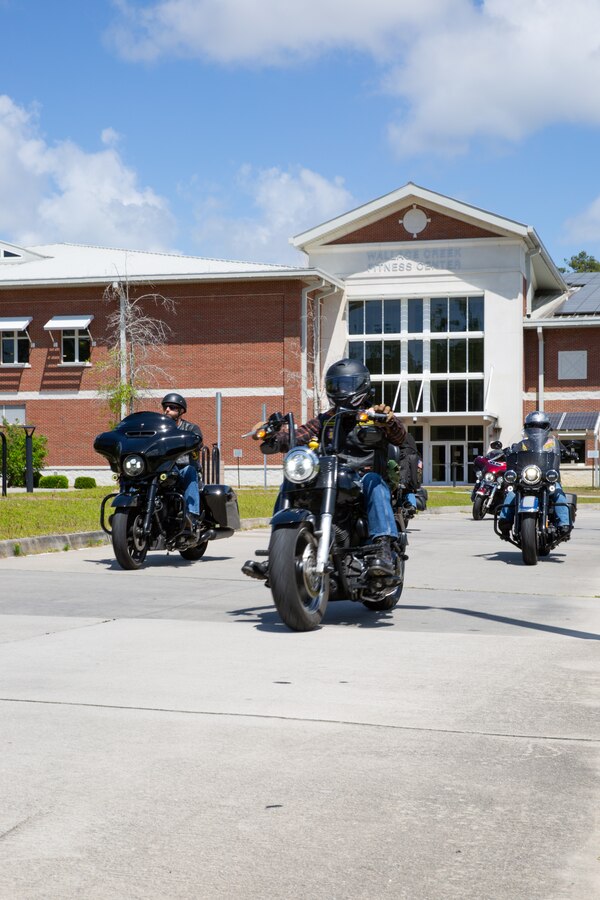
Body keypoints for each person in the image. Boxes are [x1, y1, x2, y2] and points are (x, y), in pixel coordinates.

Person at [242, 358, 407, 580]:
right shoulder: (325, 420)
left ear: (362, 386)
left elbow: (399, 436)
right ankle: (277, 555)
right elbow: (297, 437)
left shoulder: (375, 415)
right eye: (336, 385)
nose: (341, 390)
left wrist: (388, 421)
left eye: (347, 385)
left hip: (362, 477)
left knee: (375, 483)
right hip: (331, 476)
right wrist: (271, 435)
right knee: (289, 484)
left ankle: (383, 549)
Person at [498, 410, 571, 538]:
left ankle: (564, 524)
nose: (536, 430)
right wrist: (507, 453)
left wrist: (570, 453)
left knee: (559, 495)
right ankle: (505, 523)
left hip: (547, 480)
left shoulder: (553, 443)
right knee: (511, 494)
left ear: (547, 428)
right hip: (524, 480)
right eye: (532, 426)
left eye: (540, 426)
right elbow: (513, 453)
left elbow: (562, 451)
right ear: (526, 428)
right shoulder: (522, 445)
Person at [161, 392, 203, 528]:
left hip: (182, 469)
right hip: (164, 469)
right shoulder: (160, 429)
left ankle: (191, 515)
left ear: (180, 411)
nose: (167, 410)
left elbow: (198, 441)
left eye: (172, 407)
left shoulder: (190, 428)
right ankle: (129, 512)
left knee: (190, 471)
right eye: (166, 407)